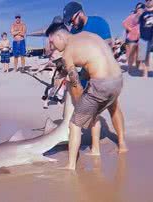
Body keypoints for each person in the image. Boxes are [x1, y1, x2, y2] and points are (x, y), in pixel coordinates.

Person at [46, 19, 126, 170]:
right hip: (118, 80)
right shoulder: (88, 35)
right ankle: (119, 146)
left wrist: (80, 109)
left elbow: (76, 87)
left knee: (75, 123)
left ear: (60, 37)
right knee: (111, 108)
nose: (52, 46)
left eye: (52, 42)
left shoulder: (67, 53)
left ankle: (70, 166)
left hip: (101, 84)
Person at [63, 1, 128, 155]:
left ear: (80, 13)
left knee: (113, 106)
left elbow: (108, 48)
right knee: (91, 110)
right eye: (70, 22)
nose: (72, 24)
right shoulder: (73, 31)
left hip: (104, 74)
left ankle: (121, 142)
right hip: (85, 74)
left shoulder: (99, 23)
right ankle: (94, 148)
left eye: (72, 19)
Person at [123, 3, 145, 70]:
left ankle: (137, 68)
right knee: (131, 53)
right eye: (138, 8)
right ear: (136, 9)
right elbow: (124, 23)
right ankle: (130, 68)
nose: (140, 10)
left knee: (139, 54)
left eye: (142, 8)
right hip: (132, 38)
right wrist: (130, 29)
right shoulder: (132, 16)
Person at [138, 0, 153, 78]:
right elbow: (138, 25)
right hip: (144, 36)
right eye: (146, 0)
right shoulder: (143, 13)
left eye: (150, 0)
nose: (148, 1)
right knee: (144, 56)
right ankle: (145, 72)